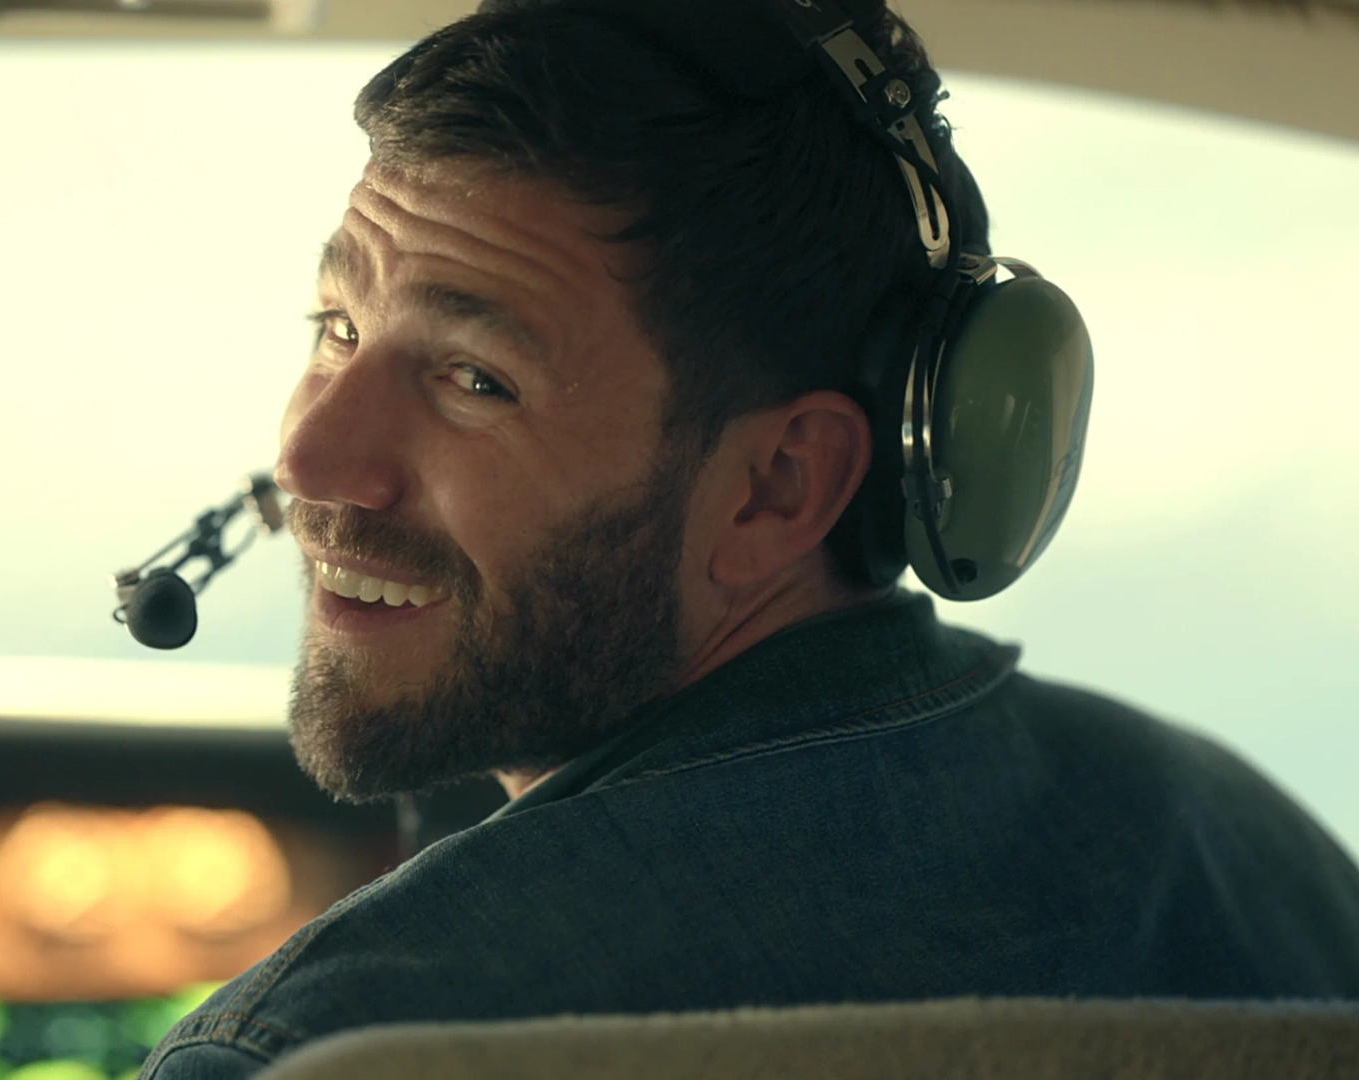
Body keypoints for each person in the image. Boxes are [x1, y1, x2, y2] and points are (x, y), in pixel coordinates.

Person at [139, 0, 1359, 1075]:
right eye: (338, 328)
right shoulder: (1249, 852)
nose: (310, 459)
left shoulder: (325, 1047)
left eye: (475, 379)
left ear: (777, 486)